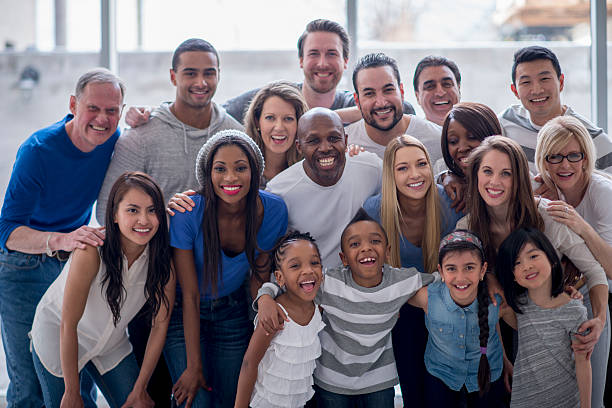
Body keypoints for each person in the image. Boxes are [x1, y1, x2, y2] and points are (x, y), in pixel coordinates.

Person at [0, 68, 124, 408]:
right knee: (29, 383)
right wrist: (61, 240)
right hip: (22, 267)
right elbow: (7, 231)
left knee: (76, 375)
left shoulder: (115, 139)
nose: (102, 119)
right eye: (93, 109)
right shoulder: (37, 151)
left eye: (112, 110)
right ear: (73, 104)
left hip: (72, 263)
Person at [457, 136, 609, 406]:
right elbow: (486, 303)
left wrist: (599, 319)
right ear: (476, 175)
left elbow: (595, 272)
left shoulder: (547, 215)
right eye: (487, 171)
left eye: (507, 174)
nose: (495, 182)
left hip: (575, 307)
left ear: (519, 179)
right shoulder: (467, 229)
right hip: (522, 320)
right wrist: (501, 357)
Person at [256, 209, 436, 407]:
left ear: (387, 252)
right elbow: (291, 286)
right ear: (343, 259)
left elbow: (441, 277)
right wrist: (265, 296)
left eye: (375, 241)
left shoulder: (401, 280)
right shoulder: (330, 282)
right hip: (332, 380)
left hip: (379, 379)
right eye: (355, 244)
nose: (366, 248)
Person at [30, 172, 175, 408]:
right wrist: (72, 391)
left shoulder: (162, 262)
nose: (144, 220)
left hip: (112, 343)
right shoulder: (91, 252)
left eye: (152, 210)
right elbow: (68, 322)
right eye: (133, 210)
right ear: (115, 215)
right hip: (59, 336)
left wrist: (139, 390)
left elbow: (160, 326)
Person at [165, 129, 288, 407]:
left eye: (240, 168)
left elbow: (258, 277)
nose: (230, 178)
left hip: (231, 313)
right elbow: (191, 295)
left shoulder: (273, 211)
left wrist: (263, 318)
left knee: (233, 399)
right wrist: (194, 365)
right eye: (220, 169)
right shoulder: (188, 213)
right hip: (184, 313)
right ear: (208, 174)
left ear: (255, 171)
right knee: (196, 401)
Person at [363, 134, 463, 405]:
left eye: (421, 164)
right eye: (403, 168)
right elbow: (368, 270)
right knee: (414, 393)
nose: (415, 174)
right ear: (390, 175)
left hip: (449, 307)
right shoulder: (375, 211)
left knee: (443, 395)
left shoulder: (450, 203)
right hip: (403, 310)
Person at [97, 38, 243, 218]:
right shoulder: (139, 138)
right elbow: (107, 211)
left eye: (209, 73)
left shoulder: (236, 135)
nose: (201, 83)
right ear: (173, 77)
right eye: (190, 73)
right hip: (155, 244)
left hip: (217, 244)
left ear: (218, 75)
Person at [407, 230, 515, 407]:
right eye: (451, 269)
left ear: (483, 270)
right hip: (441, 375)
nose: (460, 277)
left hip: (489, 374)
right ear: (440, 271)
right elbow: (393, 293)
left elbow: (524, 326)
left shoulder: (497, 301)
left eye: (469, 267)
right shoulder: (427, 297)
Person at [266, 107, 382, 269]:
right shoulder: (280, 191)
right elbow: (267, 258)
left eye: (334, 138)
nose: (325, 147)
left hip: (362, 281)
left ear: (346, 140)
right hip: (311, 287)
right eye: (314, 141)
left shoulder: (371, 168)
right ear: (299, 147)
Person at [497, 228, 591, 408]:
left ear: (552, 259)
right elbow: (491, 316)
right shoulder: (516, 305)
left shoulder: (574, 310)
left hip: (565, 401)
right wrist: (504, 360)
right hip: (523, 402)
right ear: (513, 276)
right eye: (517, 262)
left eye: (533, 256)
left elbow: (583, 362)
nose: (527, 266)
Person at [235, 231, 325, 408]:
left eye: (314, 263)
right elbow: (249, 363)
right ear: (279, 277)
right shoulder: (275, 314)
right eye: (295, 266)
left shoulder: (318, 309)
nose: (307, 270)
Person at [498, 45, 612, 174]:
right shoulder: (505, 122)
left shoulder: (593, 138)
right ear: (515, 91)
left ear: (561, 82)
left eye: (544, 79)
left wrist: (560, 192)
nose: (537, 90)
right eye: (526, 82)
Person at [346, 53, 443, 167]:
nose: (381, 103)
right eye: (369, 94)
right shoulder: (344, 143)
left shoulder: (438, 139)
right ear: (357, 101)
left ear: (401, 92)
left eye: (388, 90)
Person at [243, 80, 309, 187]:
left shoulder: (309, 170)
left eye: (288, 119)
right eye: (270, 118)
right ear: (257, 122)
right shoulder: (241, 167)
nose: (279, 127)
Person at [413, 55, 462, 126]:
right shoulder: (409, 136)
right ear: (417, 96)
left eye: (446, 84)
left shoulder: (480, 133)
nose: (440, 93)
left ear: (459, 89)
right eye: (430, 86)